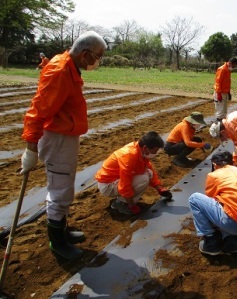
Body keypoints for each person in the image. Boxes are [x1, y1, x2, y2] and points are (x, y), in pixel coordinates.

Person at [20, 31, 107, 260]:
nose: (98, 62)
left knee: (65, 183)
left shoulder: (68, 67)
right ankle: (57, 242)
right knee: (60, 190)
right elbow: (37, 111)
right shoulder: (61, 70)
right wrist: (30, 148)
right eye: (98, 57)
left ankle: (62, 230)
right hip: (57, 138)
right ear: (85, 54)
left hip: (66, 135)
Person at [188, 151, 237, 255]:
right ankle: (233, 242)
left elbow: (212, 199)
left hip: (236, 225)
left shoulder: (215, 175)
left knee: (194, 199)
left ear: (214, 164)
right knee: (228, 204)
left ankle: (211, 242)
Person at [95, 131, 173, 215]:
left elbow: (148, 168)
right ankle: (120, 203)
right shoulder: (129, 157)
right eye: (154, 151)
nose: (155, 154)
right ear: (145, 147)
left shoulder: (140, 152)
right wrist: (132, 205)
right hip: (107, 185)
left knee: (148, 173)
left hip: (116, 179)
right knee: (143, 179)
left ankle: (125, 200)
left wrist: (159, 188)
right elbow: (125, 184)